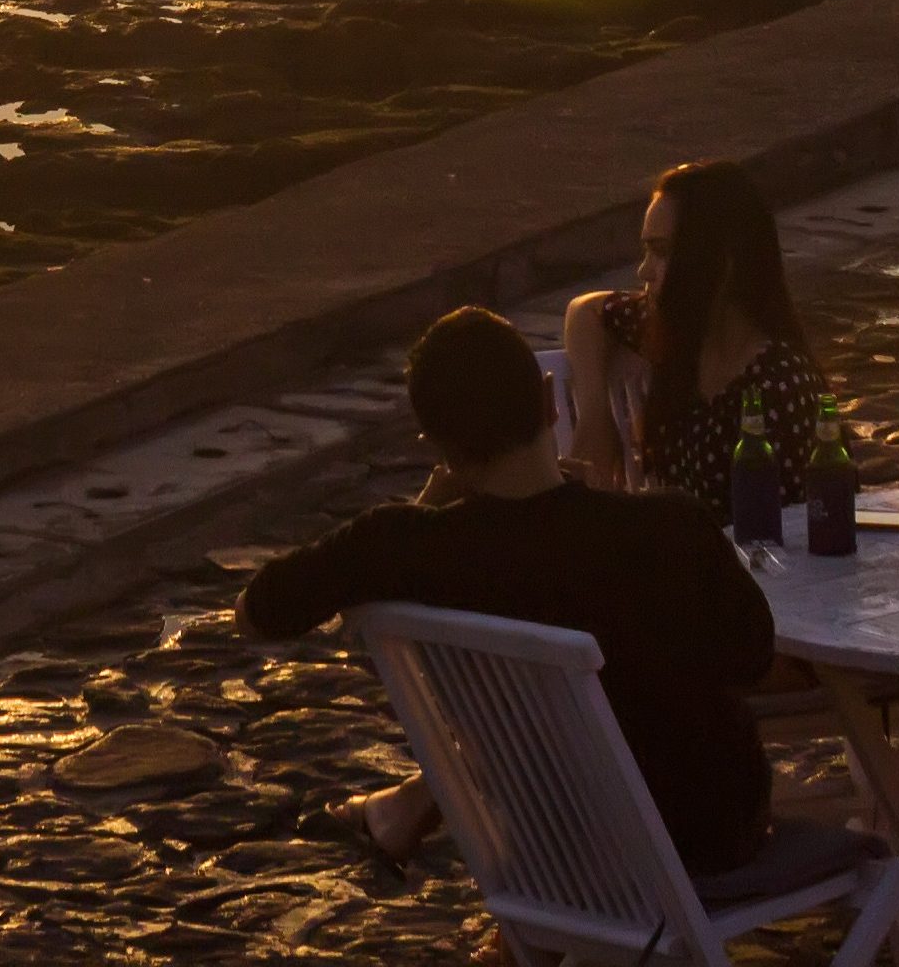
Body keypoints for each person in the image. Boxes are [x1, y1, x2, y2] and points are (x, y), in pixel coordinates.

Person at [240, 306, 788, 875]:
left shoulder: (406, 545)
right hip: (706, 841)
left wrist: (428, 503)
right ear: (551, 402)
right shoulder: (671, 527)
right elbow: (751, 656)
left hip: (546, 853)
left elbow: (257, 612)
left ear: (438, 444)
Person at [562, 161, 825, 512]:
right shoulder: (680, 333)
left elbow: (792, 533)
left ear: (725, 259)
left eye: (662, 252)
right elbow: (585, 310)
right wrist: (595, 413)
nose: (643, 270)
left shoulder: (780, 384)